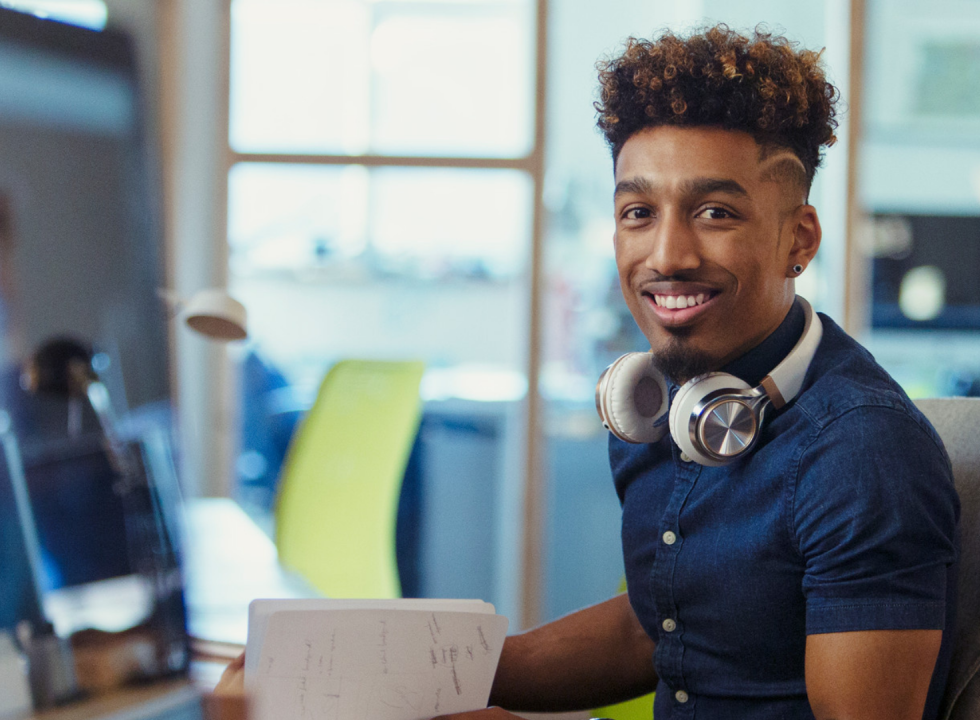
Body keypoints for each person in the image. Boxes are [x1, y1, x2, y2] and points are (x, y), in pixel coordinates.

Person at [217, 24, 959, 720]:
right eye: (638, 211)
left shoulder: (863, 451)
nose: (666, 254)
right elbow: (656, 628)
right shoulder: (659, 403)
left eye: (714, 213)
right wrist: (396, 678)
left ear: (798, 240)